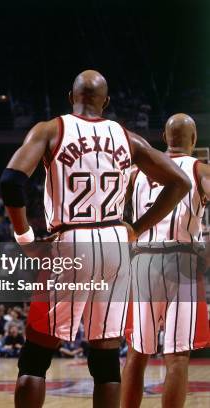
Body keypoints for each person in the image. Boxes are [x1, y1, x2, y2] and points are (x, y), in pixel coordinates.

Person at [1, 70, 191, 408]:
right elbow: (179, 183)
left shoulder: (50, 129)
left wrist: (25, 237)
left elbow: (11, 181)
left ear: (70, 96)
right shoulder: (127, 137)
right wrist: (137, 227)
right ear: (106, 101)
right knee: (105, 361)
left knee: (36, 356)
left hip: (72, 240)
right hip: (117, 242)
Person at [121, 113, 210, 408]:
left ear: (164, 137)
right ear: (194, 140)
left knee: (137, 352)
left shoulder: (136, 172)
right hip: (182, 261)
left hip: (143, 261)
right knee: (177, 356)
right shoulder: (199, 169)